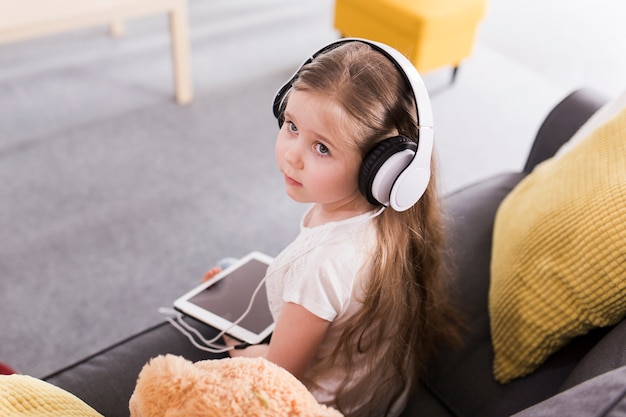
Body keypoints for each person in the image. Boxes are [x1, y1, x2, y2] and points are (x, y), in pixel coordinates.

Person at [203, 38, 460, 417]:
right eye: (291, 125)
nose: (292, 155)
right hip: (378, 396)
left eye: (321, 148)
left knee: (221, 288)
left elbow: (277, 375)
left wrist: (231, 336)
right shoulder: (391, 221)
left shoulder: (321, 265)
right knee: (229, 272)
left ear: (382, 168)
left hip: (318, 404)